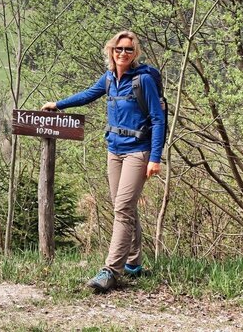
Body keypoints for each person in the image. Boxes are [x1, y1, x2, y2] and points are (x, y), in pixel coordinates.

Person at [41, 30, 165, 293]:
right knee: (124, 207)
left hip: (138, 151)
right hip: (114, 150)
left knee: (122, 208)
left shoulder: (143, 81)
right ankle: (134, 263)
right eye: (118, 49)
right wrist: (59, 105)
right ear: (111, 51)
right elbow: (88, 94)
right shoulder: (109, 78)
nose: (123, 53)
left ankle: (111, 270)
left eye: (128, 50)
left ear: (135, 53)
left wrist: (155, 157)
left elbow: (157, 119)